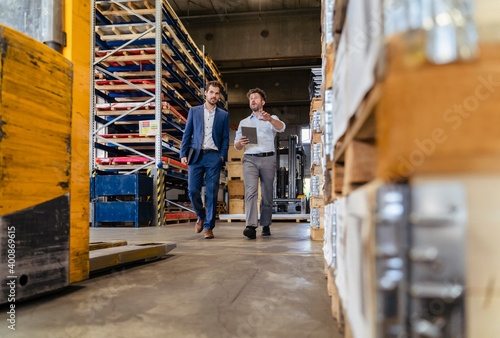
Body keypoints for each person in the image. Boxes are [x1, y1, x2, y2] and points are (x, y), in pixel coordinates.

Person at [234, 88, 286, 239]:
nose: (253, 100)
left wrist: (270, 119)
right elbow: (236, 145)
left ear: (263, 102)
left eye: (256, 98)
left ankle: (266, 224)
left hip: (268, 158)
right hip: (250, 158)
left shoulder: (271, 118)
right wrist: (240, 143)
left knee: (267, 193)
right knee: (251, 192)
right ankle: (250, 226)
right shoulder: (244, 122)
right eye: (251, 98)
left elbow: (282, 127)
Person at [180, 81, 229, 239]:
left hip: (214, 156)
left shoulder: (223, 115)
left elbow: (226, 139)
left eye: (217, 93)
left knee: (212, 192)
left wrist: (222, 156)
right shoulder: (194, 111)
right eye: (212, 92)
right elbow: (187, 133)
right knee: (193, 190)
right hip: (196, 156)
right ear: (205, 93)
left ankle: (209, 227)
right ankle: (201, 215)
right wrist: (183, 153)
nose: (214, 96)